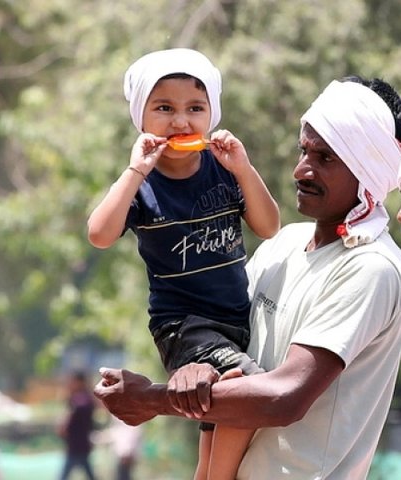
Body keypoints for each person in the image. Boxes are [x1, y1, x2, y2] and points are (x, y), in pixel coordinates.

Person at [93, 77, 401, 480]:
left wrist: (153, 399)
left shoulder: (370, 267)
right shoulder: (284, 246)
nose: (302, 170)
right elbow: (227, 354)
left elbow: (283, 398)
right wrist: (195, 370)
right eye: (304, 151)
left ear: (368, 171)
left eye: (326, 159)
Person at [87, 48, 280, 479]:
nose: (180, 121)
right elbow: (99, 234)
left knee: (215, 413)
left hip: (235, 318)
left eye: (195, 108)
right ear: (141, 120)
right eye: (164, 108)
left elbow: (268, 226)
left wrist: (245, 169)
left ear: (212, 113)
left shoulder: (224, 167)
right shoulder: (143, 185)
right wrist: (134, 171)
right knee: (243, 387)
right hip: (183, 326)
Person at [57, 371, 97, 480]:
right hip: (78, 443)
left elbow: (70, 416)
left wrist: (63, 426)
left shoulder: (81, 399)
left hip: (77, 444)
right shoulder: (84, 398)